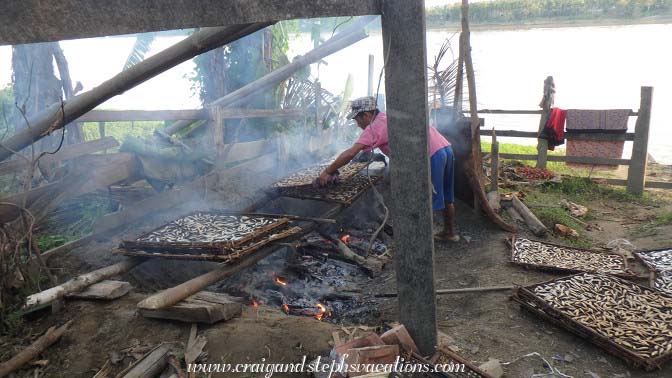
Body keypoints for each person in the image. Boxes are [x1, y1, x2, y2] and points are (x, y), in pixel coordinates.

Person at [317, 96, 459, 241]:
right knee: (447, 196)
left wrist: (327, 171)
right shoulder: (386, 117)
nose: (357, 124)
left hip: (430, 154)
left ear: (366, 115)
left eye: (357, 120)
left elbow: (351, 152)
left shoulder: (374, 127)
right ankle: (450, 233)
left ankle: (420, 242)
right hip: (445, 148)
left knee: (425, 197)